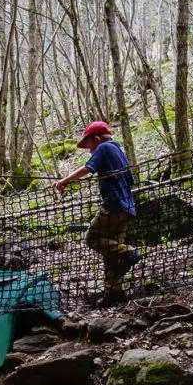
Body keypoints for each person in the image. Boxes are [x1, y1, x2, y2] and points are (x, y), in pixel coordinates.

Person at [54, 121, 142, 302]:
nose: (90, 151)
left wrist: (65, 181)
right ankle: (114, 293)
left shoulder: (104, 148)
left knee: (92, 238)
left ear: (96, 139)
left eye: (89, 146)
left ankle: (130, 252)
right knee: (111, 252)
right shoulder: (118, 150)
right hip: (128, 208)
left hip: (113, 206)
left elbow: (88, 168)